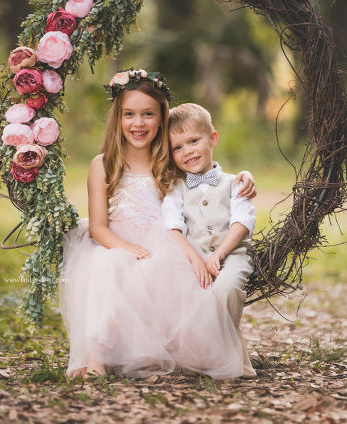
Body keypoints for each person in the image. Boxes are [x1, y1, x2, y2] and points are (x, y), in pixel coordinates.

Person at [59, 69, 256, 379]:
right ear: (118, 117)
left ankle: (164, 350)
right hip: (117, 244)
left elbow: (210, 177)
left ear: (162, 118)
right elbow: (98, 227)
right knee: (105, 264)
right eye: (129, 114)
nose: (138, 123)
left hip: (168, 245)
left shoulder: (169, 158)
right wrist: (128, 249)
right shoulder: (104, 164)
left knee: (171, 280)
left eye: (148, 114)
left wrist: (244, 176)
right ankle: (97, 357)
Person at [161, 103, 257, 378]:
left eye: (193, 141)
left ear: (212, 138)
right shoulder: (174, 189)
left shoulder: (235, 182)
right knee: (185, 296)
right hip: (193, 260)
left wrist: (220, 254)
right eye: (177, 147)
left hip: (234, 255)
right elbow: (172, 226)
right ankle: (199, 355)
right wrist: (197, 258)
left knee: (225, 290)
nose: (188, 151)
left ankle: (226, 356)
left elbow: (243, 222)